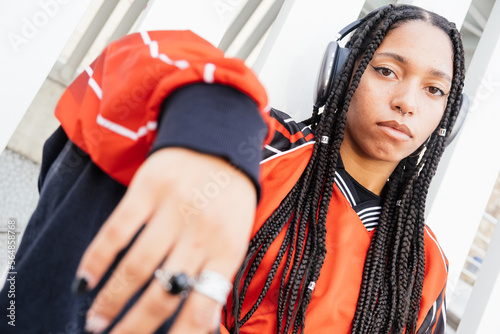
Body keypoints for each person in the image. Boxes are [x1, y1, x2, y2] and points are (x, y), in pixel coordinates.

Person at [0, 4, 465, 334]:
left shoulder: (423, 264)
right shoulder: (257, 148)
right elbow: (137, 64)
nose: (406, 102)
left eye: (434, 91)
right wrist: (212, 122)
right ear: (342, 73)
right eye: (386, 71)